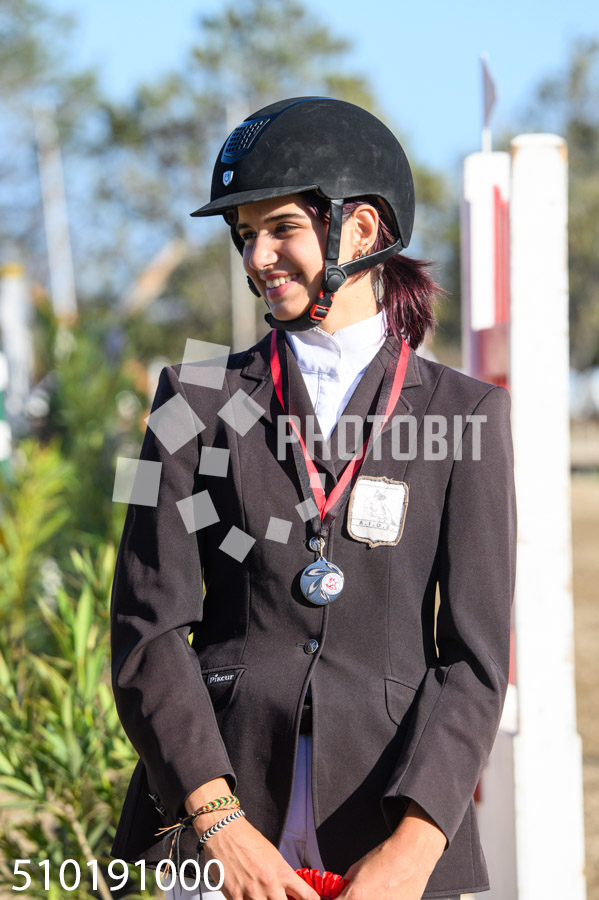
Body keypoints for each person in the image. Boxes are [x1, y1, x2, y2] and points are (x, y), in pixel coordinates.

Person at [110, 97, 516, 900]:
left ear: (359, 230)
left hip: (387, 825)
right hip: (216, 825)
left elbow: (474, 661)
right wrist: (217, 823)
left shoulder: (468, 414)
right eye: (243, 234)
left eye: (280, 229)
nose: (257, 256)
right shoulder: (185, 398)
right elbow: (145, 629)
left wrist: (414, 847)